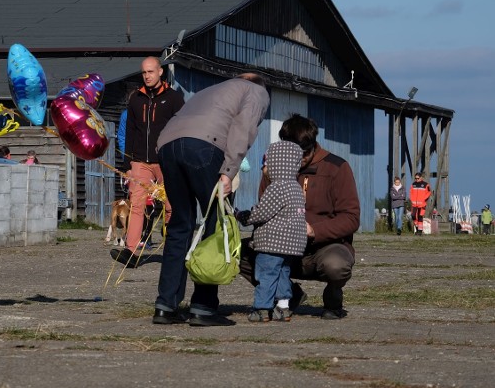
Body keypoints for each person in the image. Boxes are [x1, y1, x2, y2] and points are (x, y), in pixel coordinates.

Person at [152, 72, 269, 327]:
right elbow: (243, 128)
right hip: (204, 147)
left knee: (180, 226)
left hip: (168, 146)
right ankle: (203, 308)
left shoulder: (212, 90)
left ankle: (165, 305)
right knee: (216, 225)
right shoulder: (257, 91)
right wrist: (229, 171)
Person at [239, 114, 361, 320]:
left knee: (336, 265)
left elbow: (351, 218)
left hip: (322, 247)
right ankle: (289, 297)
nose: (296, 158)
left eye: (302, 153)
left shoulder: (337, 167)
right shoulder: (274, 170)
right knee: (237, 253)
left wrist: (314, 230)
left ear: (312, 146)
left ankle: (333, 296)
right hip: (281, 247)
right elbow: (264, 209)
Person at [112, 56, 185, 264]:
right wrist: (127, 165)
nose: (147, 76)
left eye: (151, 72)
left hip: (166, 160)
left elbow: (181, 128)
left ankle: (174, 248)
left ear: (160, 72)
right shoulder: (136, 98)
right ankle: (131, 251)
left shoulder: (174, 98)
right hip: (140, 161)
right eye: (144, 72)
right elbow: (132, 132)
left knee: (172, 205)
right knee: (136, 205)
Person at [236, 140, 308, 323]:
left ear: (278, 163)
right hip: (291, 244)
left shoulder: (276, 187)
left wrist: (243, 216)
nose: (264, 168)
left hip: (272, 242)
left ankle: (262, 308)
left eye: (267, 164)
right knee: (282, 274)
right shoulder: (296, 187)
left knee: (266, 275)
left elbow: (261, 213)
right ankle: (283, 308)